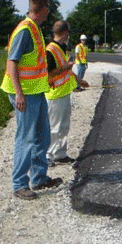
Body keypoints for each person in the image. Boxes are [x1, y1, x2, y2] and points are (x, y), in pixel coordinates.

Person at [1, 0, 62, 200]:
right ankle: (19, 184)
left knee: (43, 136)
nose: (48, 14)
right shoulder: (25, 30)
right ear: (43, 9)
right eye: (48, 10)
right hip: (25, 95)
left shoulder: (34, 29)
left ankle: (39, 177)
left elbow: (34, 64)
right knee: (26, 138)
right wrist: (19, 94)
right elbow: (12, 63)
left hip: (36, 91)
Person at [45, 21, 90, 166]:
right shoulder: (50, 50)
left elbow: (66, 70)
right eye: (68, 34)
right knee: (54, 127)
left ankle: (60, 153)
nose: (69, 37)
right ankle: (48, 155)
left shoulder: (61, 48)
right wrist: (65, 67)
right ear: (65, 33)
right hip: (54, 94)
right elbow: (48, 73)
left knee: (63, 126)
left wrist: (78, 80)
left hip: (63, 92)